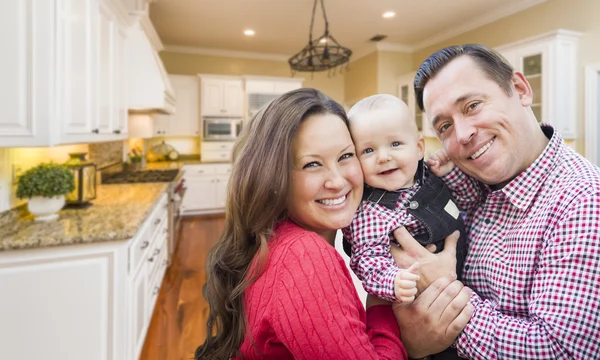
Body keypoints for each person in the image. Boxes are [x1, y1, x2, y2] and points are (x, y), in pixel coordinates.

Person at [194, 88, 473, 360]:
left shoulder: (288, 238)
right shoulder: (304, 256)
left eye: (345, 156)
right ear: (273, 177)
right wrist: (398, 327)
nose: (337, 181)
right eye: (312, 164)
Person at [391, 44, 600, 359]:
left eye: (472, 105)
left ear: (520, 89)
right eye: (444, 126)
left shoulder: (583, 200)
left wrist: (443, 295)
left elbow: (563, 351)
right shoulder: (468, 185)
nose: (461, 134)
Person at [340, 94, 468, 304]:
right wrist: (393, 281)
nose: (383, 157)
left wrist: (449, 172)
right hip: (424, 299)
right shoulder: (370, 212)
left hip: (468, 277)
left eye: (395, 143)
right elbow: (367, 261)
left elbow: (465, 202)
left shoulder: (429, 175)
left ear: (418, 148)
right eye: (368, 150)